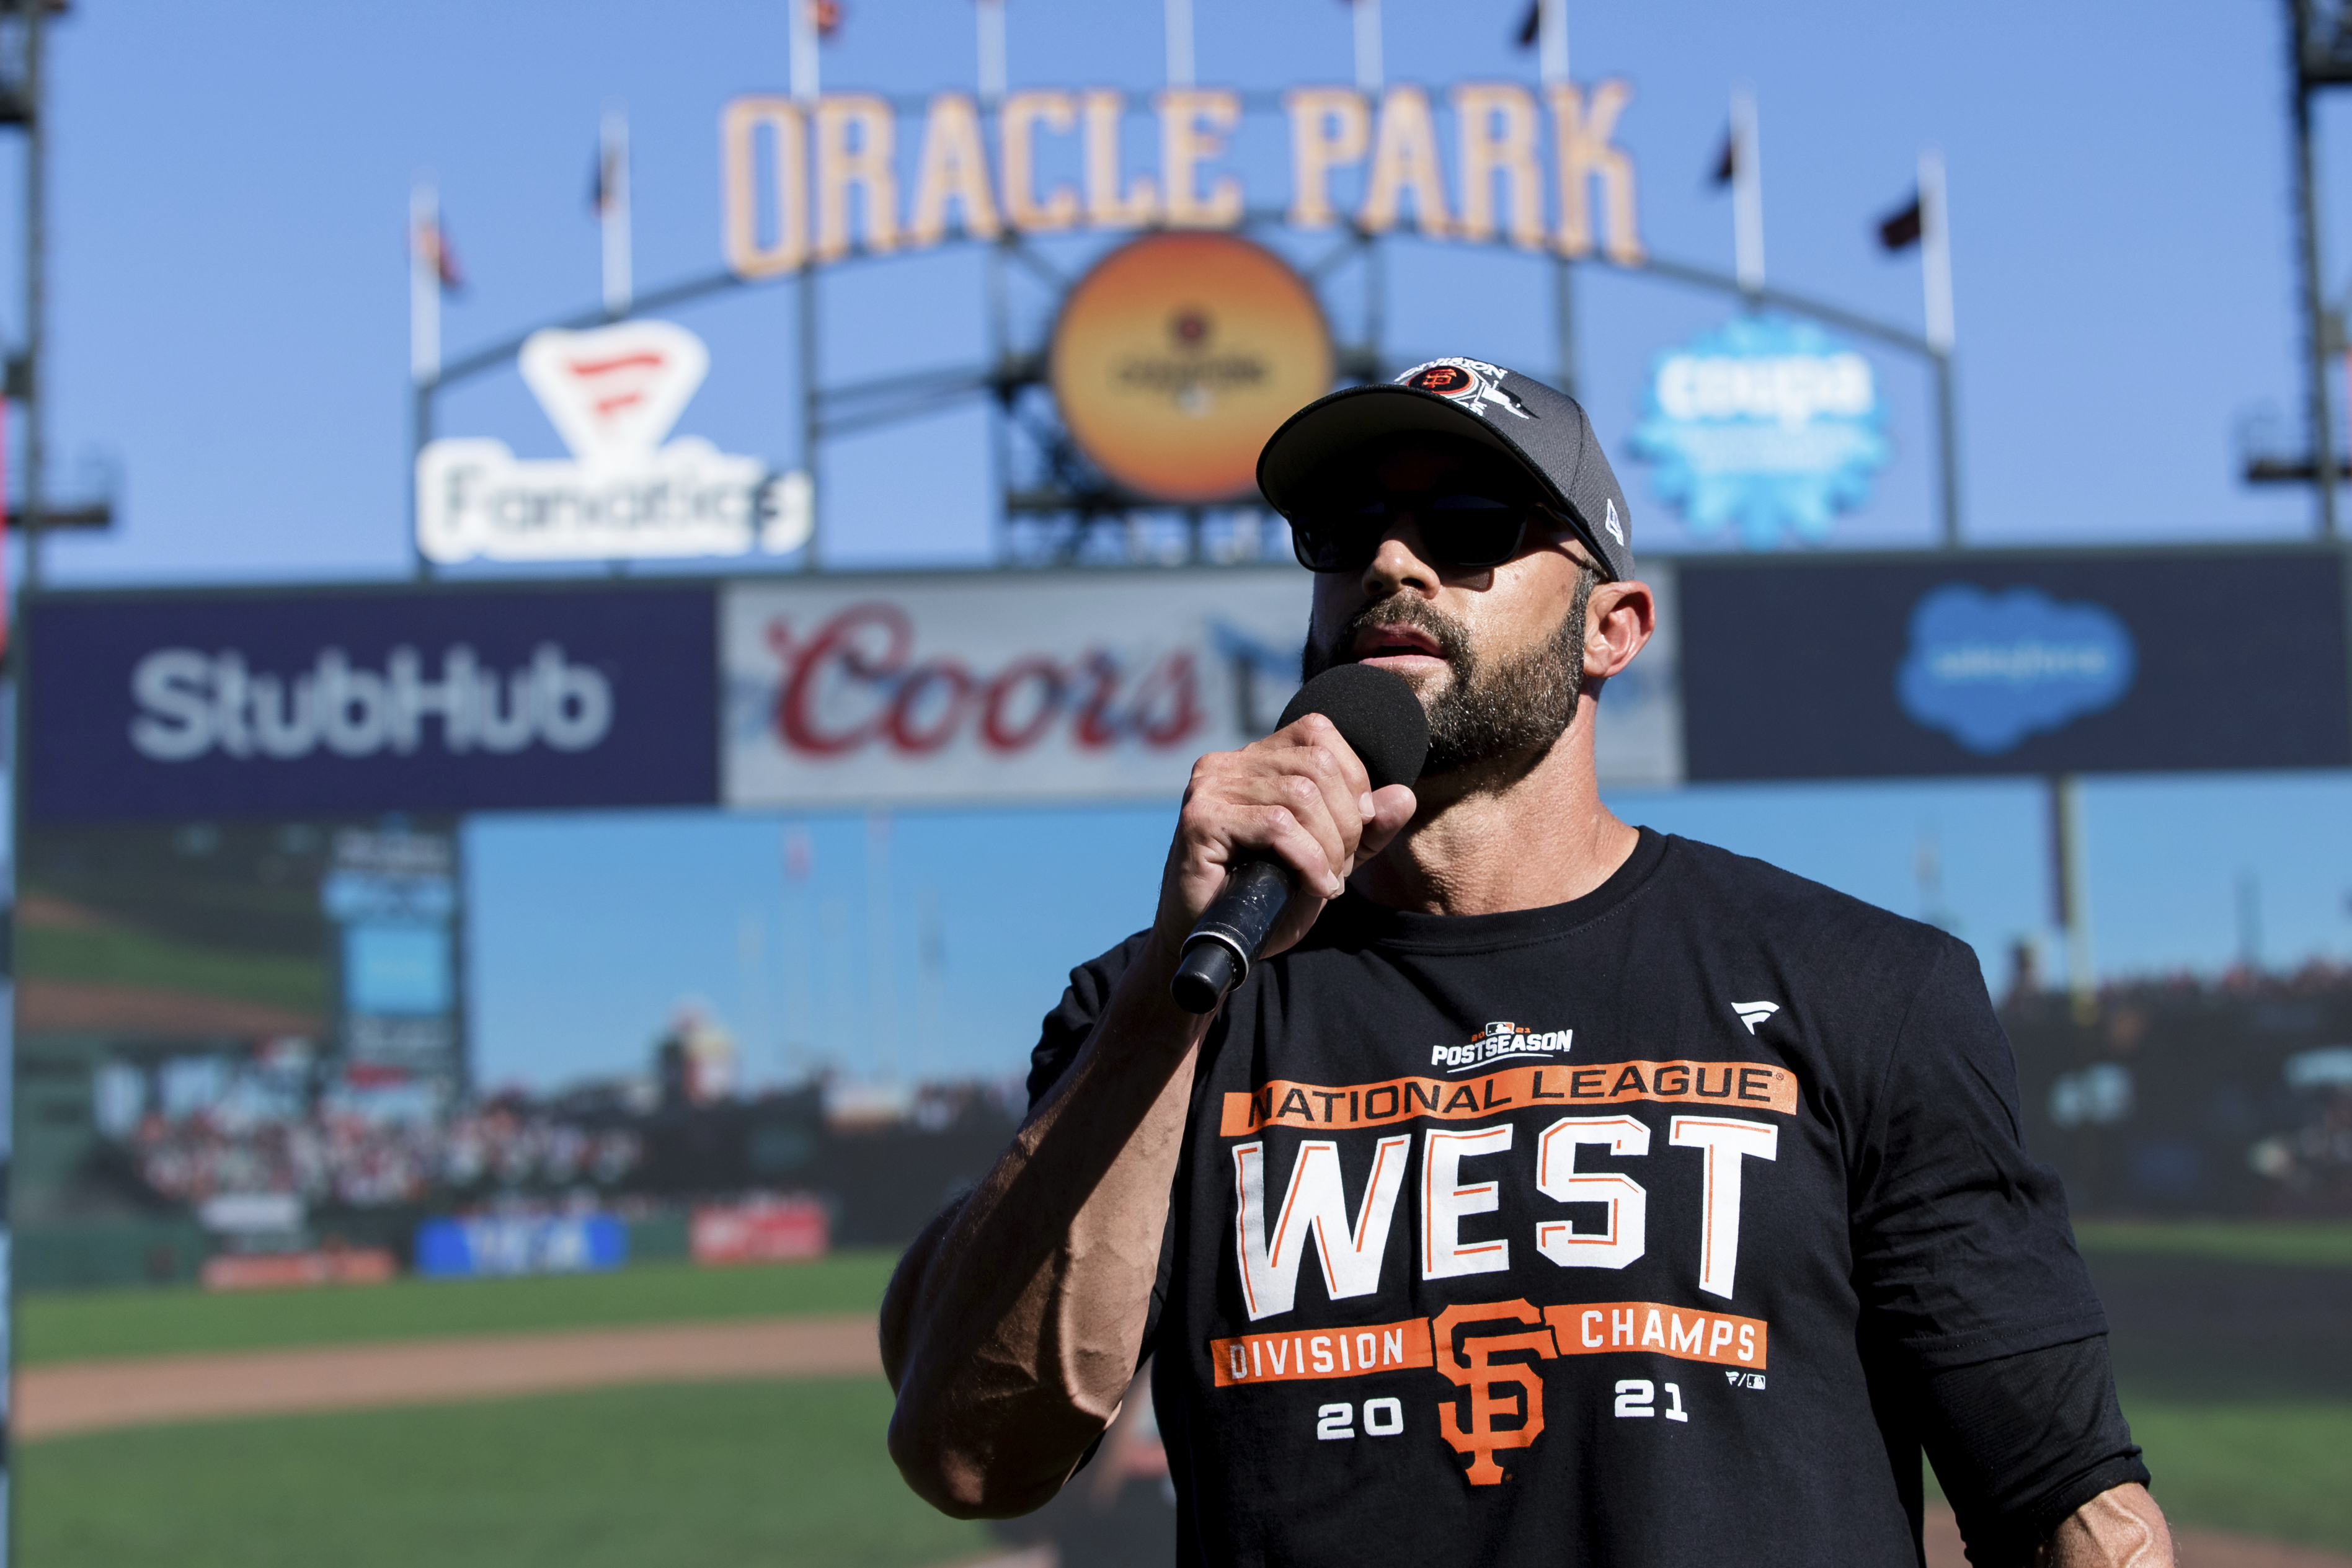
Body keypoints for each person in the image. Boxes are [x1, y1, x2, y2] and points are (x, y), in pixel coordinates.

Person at [882, 357, 2171, 1567]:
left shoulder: (1865, 991)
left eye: (1468, 520)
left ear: (1612, 627)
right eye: (1342, 532)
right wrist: (1167, 996)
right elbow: (973, 1453)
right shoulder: (1169, 1000)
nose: (1391, 558)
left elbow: (2066, 1500)